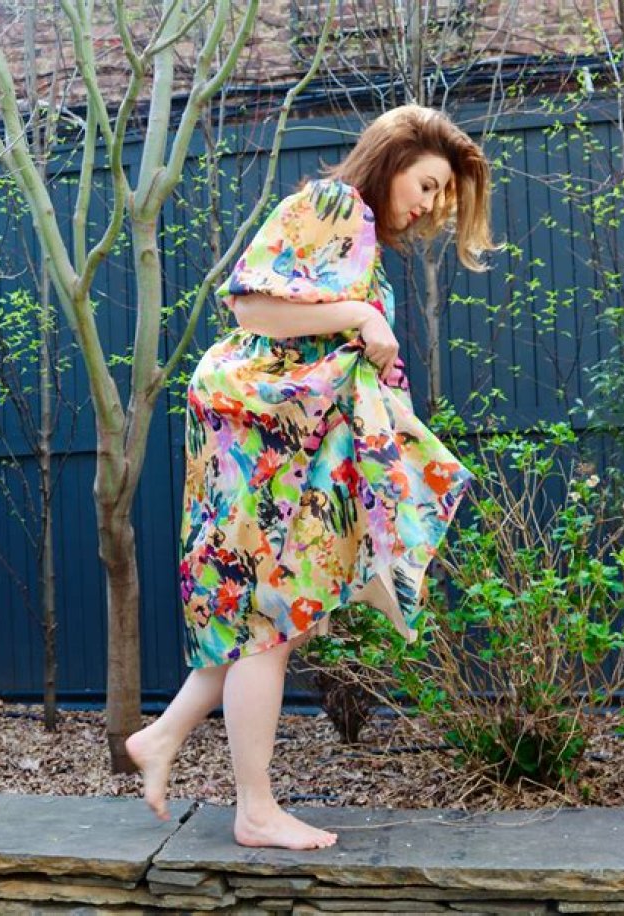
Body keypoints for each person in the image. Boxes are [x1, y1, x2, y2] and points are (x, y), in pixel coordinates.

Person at [126, 103, 499, 851]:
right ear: (393, 159)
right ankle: (256, 810)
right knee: (270, 621)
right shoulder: (332, 204)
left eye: (439, 196)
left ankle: (161, 737)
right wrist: (361, 314)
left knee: (264, 615)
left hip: (282, 439)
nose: (428, 206)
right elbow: (253, 307)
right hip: (259, 432)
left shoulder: (358, 234)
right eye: (427, 185)